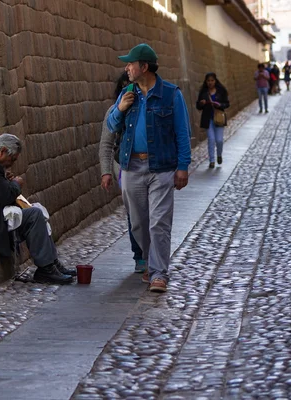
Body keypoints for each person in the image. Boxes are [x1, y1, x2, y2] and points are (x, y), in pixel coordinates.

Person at [107, 43, 191, 293]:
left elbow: (182, 133)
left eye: (130, 63)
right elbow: (111, 126)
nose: (127, 67)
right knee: (138, 224)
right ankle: (148, 261)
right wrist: (120, 110)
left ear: (144, 67)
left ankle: (158, 273)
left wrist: (183, 166)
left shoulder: (171, 94)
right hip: (131, 167)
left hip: (161, 167)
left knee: (159, 223)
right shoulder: (127, 94)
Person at [0, 134, 75, 284]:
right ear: (2, 151)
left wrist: (6, 181)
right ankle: (46, 268)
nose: (11, 164)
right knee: (34, 214)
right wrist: (16, 184)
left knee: (36, 211)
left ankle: (51, 263)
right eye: (12, 159)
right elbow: (5, 196)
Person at [99, 72, 146, 274]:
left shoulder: (146, 107)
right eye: (126, 87)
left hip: (149, 165)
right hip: (125, 167)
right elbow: (107, 143)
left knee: (154, 213)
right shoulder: (114, 111)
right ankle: (140, 256)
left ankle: (154, 254)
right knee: (134, 213)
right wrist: (106, 172)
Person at [196, 72, 230, 169]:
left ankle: (219, 155)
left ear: (215, 81)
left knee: (219, 140)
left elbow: (227, 104)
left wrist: (220, 105)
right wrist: (201, 104)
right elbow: (198, 106)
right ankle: (211, 160)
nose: (210, 82)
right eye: (208, 81)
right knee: (211, 139)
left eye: (212, 80)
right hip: (208, 119)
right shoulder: (203, 92)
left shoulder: (221, 91)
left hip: (219, 118)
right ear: (206, 82)